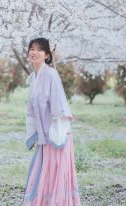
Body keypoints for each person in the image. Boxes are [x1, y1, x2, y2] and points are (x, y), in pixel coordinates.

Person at [23, 37, 81, 206]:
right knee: (43, 176)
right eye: (32, 49)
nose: (34, 52)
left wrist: (56, 136)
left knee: (54, 176)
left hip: (57, 136)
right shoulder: (33, 77)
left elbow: (59, 106)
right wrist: (33, 134)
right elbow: (31, 110)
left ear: (47, 55)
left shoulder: (51, 74)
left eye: (39, 50)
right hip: (43, 138)